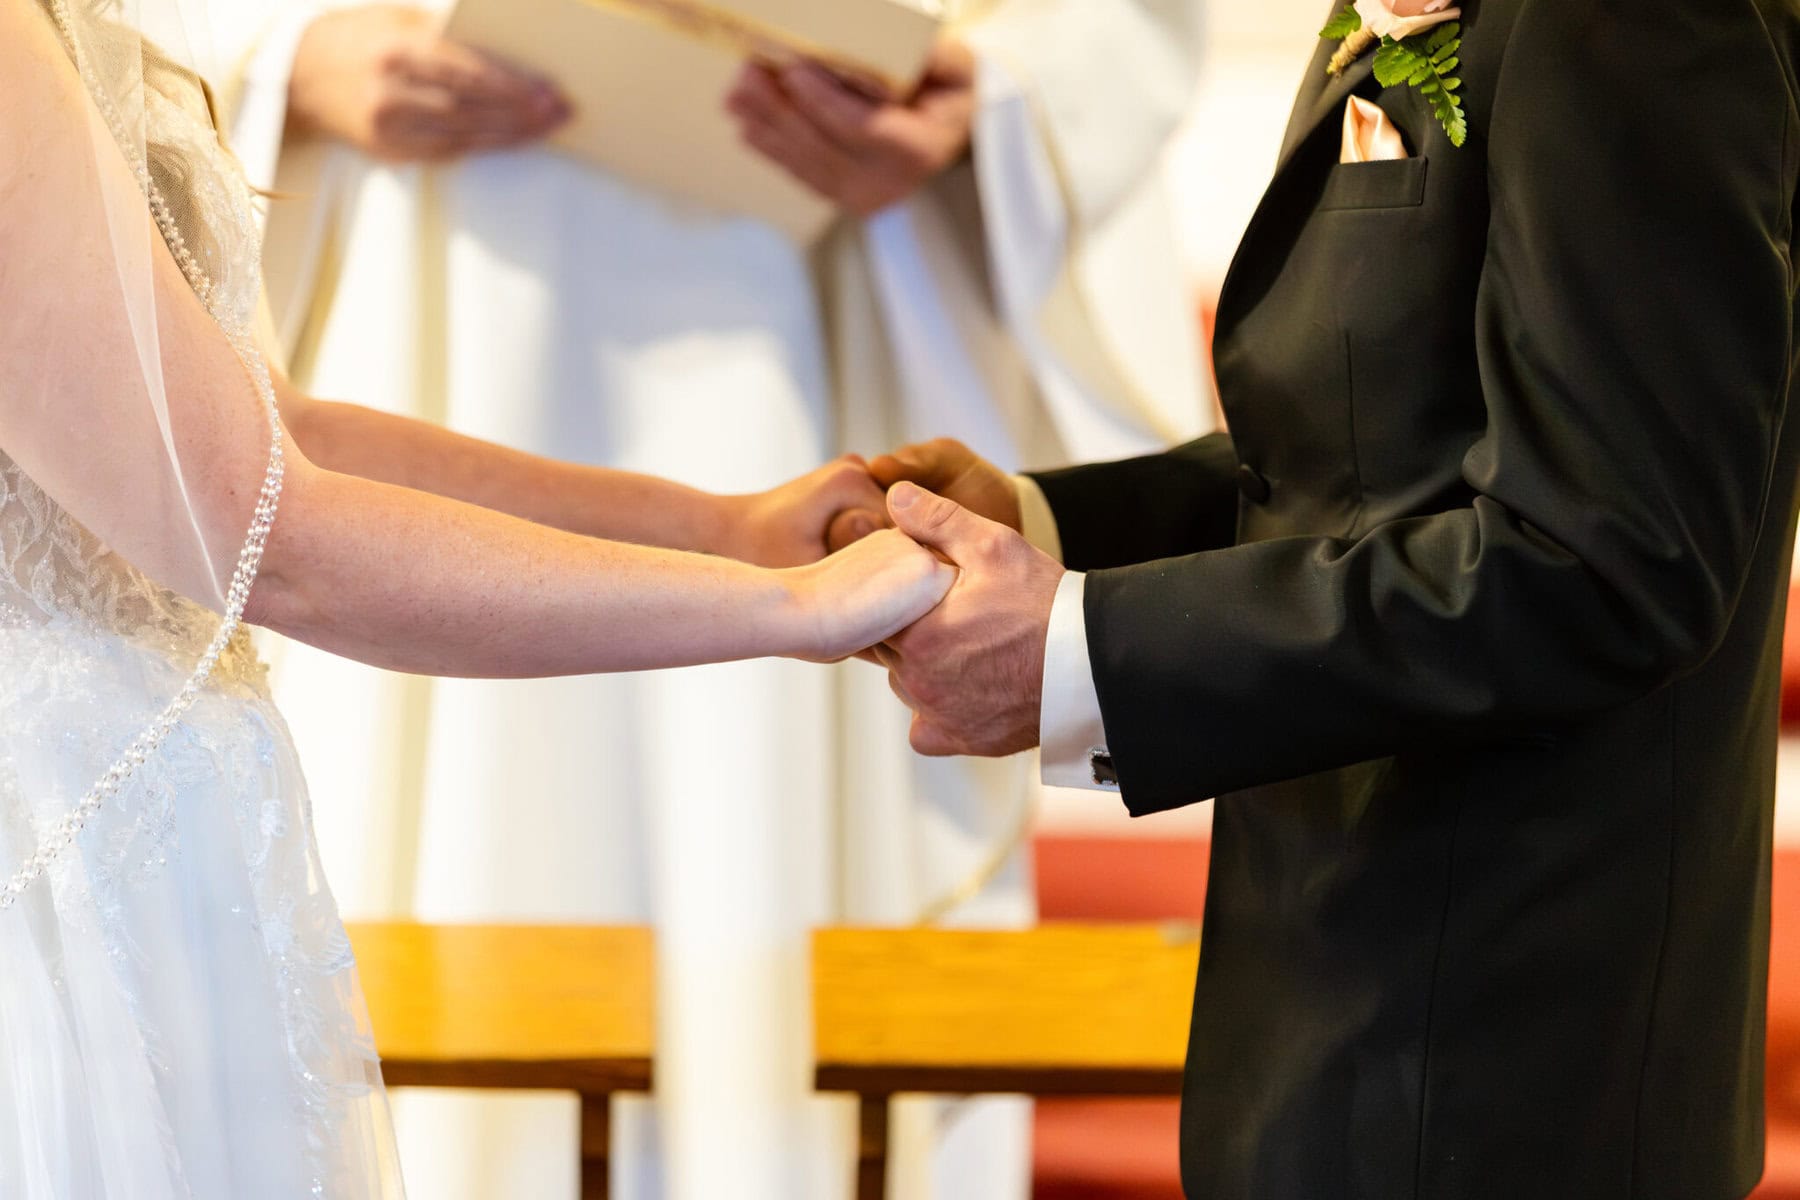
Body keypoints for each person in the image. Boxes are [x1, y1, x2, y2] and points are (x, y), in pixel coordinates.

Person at [199, 2, 1210, 1196]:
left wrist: (981, 100)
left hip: (801, 279)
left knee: (760, 830)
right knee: (446, 802)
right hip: (426, 290)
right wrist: (279, 56)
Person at [849, 0, 1800, 1195]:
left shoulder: (1630, 21)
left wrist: (1082, 651)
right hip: (1330, 1008)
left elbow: (1606, 566)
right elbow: (1363, 462)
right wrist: (1043, 529)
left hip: (1501, 1065)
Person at [0, 0, 948, 1194]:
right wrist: (786, 613)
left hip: (156, 841)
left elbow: (283, 430)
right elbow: (263, 534)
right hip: (63, 855)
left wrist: (730, 531)